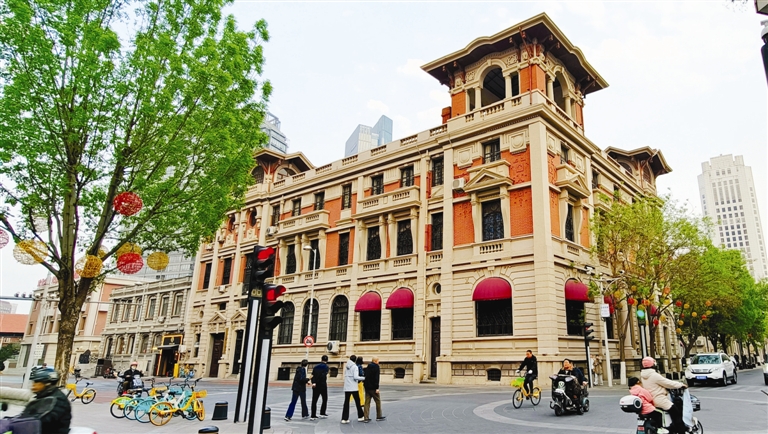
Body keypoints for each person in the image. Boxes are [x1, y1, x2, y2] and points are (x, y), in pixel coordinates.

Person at [640, 356, 687, 434]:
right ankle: (681, 431)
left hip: (650, 400)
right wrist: (680, 385)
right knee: (676, 414)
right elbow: (667, 383)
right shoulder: (654, 375)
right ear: (653, 365)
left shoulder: (642, 375)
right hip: (660, 400)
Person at [19, 369, 71, 434]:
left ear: (47, 384)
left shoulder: (56, 400)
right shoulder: (43, 396)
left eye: (36, 382)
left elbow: (42, 420)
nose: (33, 385)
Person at [341, 355, 365, 424]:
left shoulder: (346, 366)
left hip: (347, 387)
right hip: (353, 387)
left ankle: (344, 418)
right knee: (357, 402)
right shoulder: (355, 367)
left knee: (346, 402)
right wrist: (364, 378)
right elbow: (355, 377)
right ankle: (361, 416)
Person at [363, 356, 385, 422]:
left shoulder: (368, 367)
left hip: (367, 387)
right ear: (375, 361)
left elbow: (366, 376)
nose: (379, 361)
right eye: (378, 360)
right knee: (378, 401)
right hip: (373, 387)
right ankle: (379, 416)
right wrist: (377, 388)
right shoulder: (376, 367)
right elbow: (376, 378)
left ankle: (366, 417)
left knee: (367, 402)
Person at [310, 355, 329, 420]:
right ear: (327, 360)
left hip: (315, 385)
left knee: (314, 400)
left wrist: (314, 382)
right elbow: (323, 376)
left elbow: (312, 375)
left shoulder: (316, 366)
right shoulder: (326, 367)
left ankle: (313, 415)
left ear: (321, 359)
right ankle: (322, 413)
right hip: (322, 385)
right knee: (324, 399)